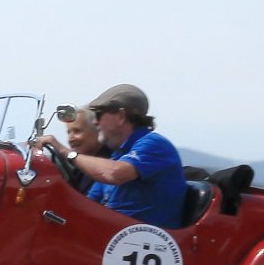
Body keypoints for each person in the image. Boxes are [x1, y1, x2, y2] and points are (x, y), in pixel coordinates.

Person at [35, 84, 184, 228]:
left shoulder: (153, 144)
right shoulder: (118, 154)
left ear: (121, 116)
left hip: (142, 238)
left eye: (99, 115)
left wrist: (65, 152)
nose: (95, 122)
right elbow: (87, 204)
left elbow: (114, 173)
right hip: (114, 235)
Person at [61, 106, 110, 193]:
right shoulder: (79, 170)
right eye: (69, 132)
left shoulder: (111, 162)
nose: (70, 139)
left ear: (97, 130)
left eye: (77, 131)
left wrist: (62, 150)